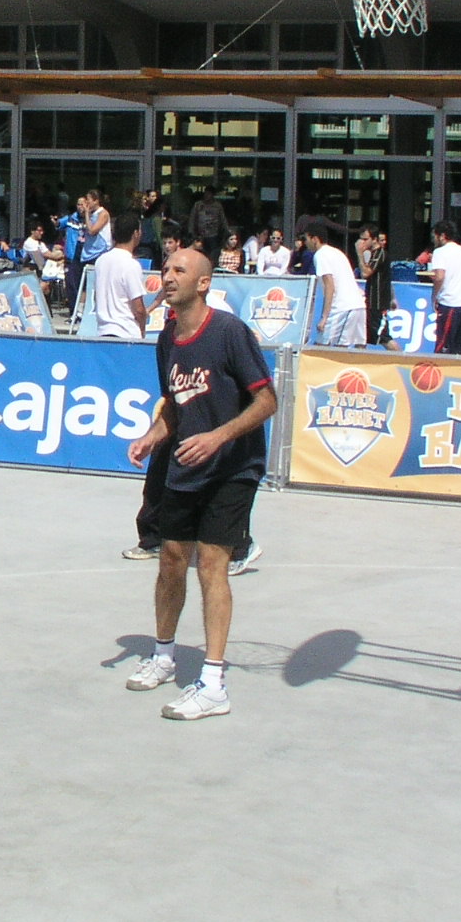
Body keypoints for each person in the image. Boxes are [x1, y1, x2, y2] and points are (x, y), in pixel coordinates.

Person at [123, 246, 277, 720]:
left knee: (211, 563)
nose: (166, 277)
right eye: (165, 269)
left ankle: (212, 683)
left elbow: (267, 401)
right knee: (171, 558)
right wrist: (153, 436)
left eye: (178, 271)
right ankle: (164, 655)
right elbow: (174, 402)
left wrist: (219, 436)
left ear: (204, 283)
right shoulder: (167, 337)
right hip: (185, 461)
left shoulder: (230, 333)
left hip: (233, 466)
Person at [304, 221, 367, 346]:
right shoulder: (337, 252)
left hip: (342, 308)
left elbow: (329, 285)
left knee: (326, 349)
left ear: (315, 239)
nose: (305, 242)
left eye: (306, 238)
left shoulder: (321, 255)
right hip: (358, 305)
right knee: (360, 347)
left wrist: (324, 317)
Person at [91, 212, 149, 341]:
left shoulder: (101, 260)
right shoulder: (131, 264)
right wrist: (142, 329)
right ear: (135, 233)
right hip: (126, 333)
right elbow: (138, 307)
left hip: (103, 331)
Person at [428, 221, 461, 355]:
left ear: (442, 236)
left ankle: (442, 373)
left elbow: (439, 277)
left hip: (451, 302)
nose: (433, 239)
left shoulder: (440, 252)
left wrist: (434, 296)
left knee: (444, 345)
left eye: (435, 236)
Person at [186, 187, 229, 254]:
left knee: (213, 252)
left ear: (212, 195)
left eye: (209, 194)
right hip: (200, 234)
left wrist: (227, 230)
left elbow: (222, 219)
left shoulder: (217, 205)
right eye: (205, 193)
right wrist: (191, 231)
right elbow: (192, 218)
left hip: (213, 234)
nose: (206, 195)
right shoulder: (198, 205)